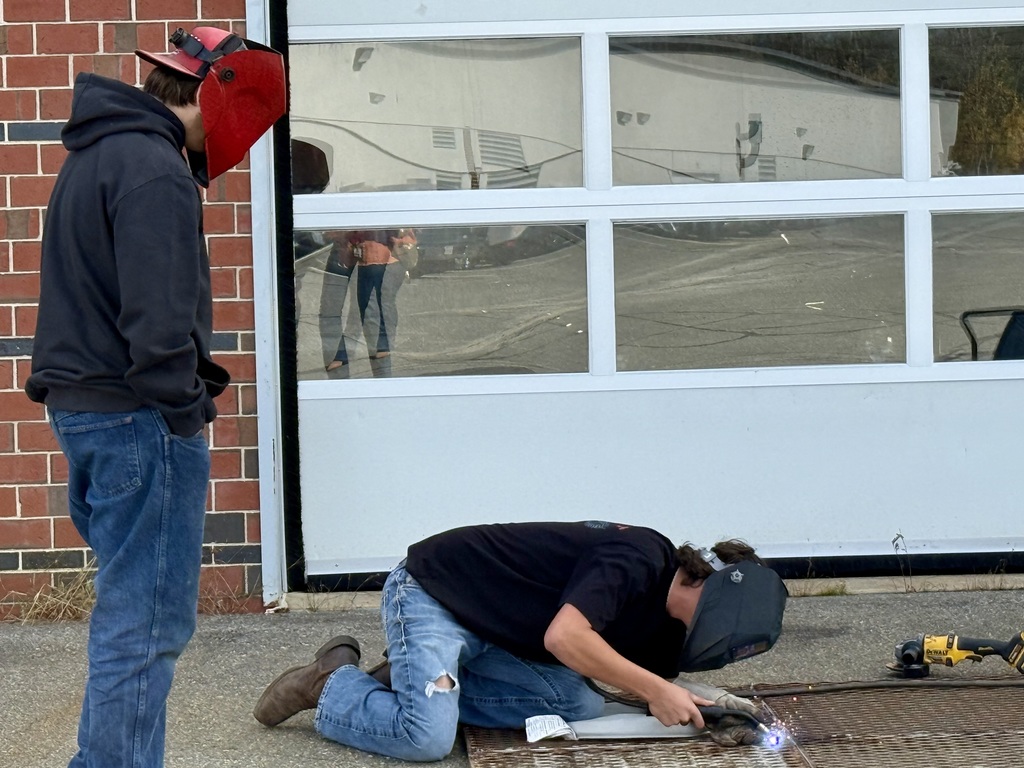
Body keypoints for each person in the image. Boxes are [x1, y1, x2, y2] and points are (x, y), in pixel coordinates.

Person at [25, 26, 285, 768]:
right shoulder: (154, 170)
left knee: (128, 616)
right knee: (145, 627)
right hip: (137, 421)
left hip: (87, 411)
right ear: (218, 99)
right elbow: (158, 328)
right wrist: (186, 415)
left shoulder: (98, 152)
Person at [253, 520, 788, 761]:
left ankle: (412, 680)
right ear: (702, 580)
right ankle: (332, 684)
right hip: (437, 593)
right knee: (426, 740)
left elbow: (642, 686)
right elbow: (566, 637)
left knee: (579, 703)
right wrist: (656, 690)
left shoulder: (669, 631)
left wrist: (713, 706)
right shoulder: (639, 556)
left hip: (502, 636)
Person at [324, 228, 416, 378]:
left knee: (374, 308)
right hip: (367, 258)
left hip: (384, 258)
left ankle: (381, 350)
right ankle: (358, 353)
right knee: (364, 308)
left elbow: (393, 231)